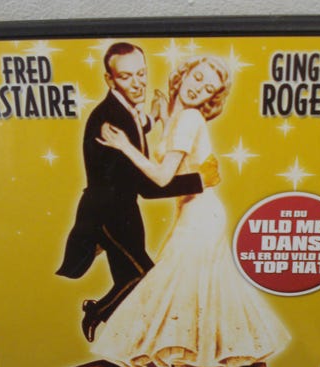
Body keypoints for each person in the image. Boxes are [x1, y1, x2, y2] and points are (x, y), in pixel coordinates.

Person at [92, 56, 291, 367]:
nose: (199, 89)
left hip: (201, 215)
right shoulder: (178, 117)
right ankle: (189, 362)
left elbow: (162, 178)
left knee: (177, 281)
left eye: (208, 88)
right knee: (190, 285)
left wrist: (125, 146)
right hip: (193, 213)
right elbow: (178, 159)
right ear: (183, 74)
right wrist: (160, 118)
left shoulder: (189, 119)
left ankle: (187, 361)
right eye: (197, 78)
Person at [56, 43, 219, 342]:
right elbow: (148, 186)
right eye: (126, 76)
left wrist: (152, 119)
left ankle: (129, 342)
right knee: (144, 277)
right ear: (109, 79)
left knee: (131, 284)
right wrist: (199, 180)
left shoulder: (123, 110)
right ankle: (97, 311)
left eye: (141, 74)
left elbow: (135, 125)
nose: (138, 83)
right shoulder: (109, 120)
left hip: (124, 212)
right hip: (107, 214)